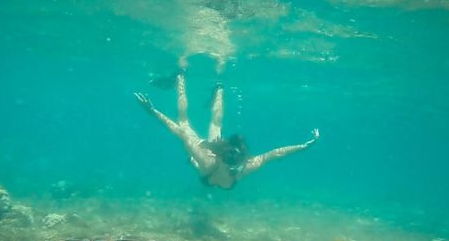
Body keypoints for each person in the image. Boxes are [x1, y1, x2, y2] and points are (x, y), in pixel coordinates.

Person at [134, 71, 321, 189]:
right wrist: (152, 111)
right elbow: (179, 131)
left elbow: (275, 154)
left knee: (210, 127)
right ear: (223, 156)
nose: (232, 164)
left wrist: (305, 146)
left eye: (235, 159)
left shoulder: (237, 168)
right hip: (204, 153)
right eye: (231, 159)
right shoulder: (210, 160)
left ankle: (215, 88)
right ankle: (183, 79)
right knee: (186, 123)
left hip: (205, 167)